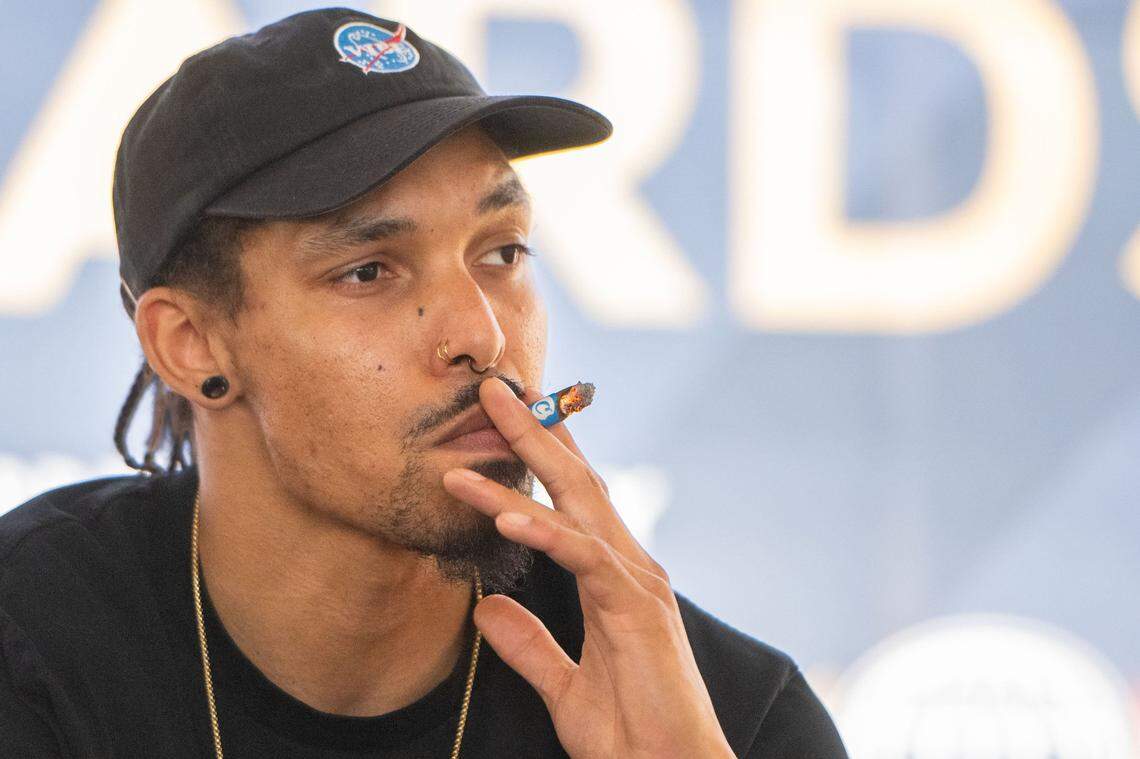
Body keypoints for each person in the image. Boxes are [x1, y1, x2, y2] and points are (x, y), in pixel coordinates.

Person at [0, 8, 848, 758]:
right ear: (190, 345)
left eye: (503, 252)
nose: (482, 334)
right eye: (369, 271)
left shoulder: (728, 716)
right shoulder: (28, 642)